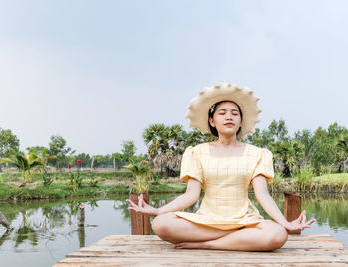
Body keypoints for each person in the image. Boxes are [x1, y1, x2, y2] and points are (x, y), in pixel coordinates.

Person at [126, 83, 315, 251]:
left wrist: (284, 223)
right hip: (207, 221)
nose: (229, 117)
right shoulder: (197, 152)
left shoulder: (257, 154)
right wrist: (158, 211)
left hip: (244, 222)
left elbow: (262, 194)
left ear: (241, 121)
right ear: (211, 121)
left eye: (235, 113)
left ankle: (207, 244)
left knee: (277, 234)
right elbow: (191, 195)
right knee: (161, 224)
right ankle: (235, 241)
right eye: (222, 113)